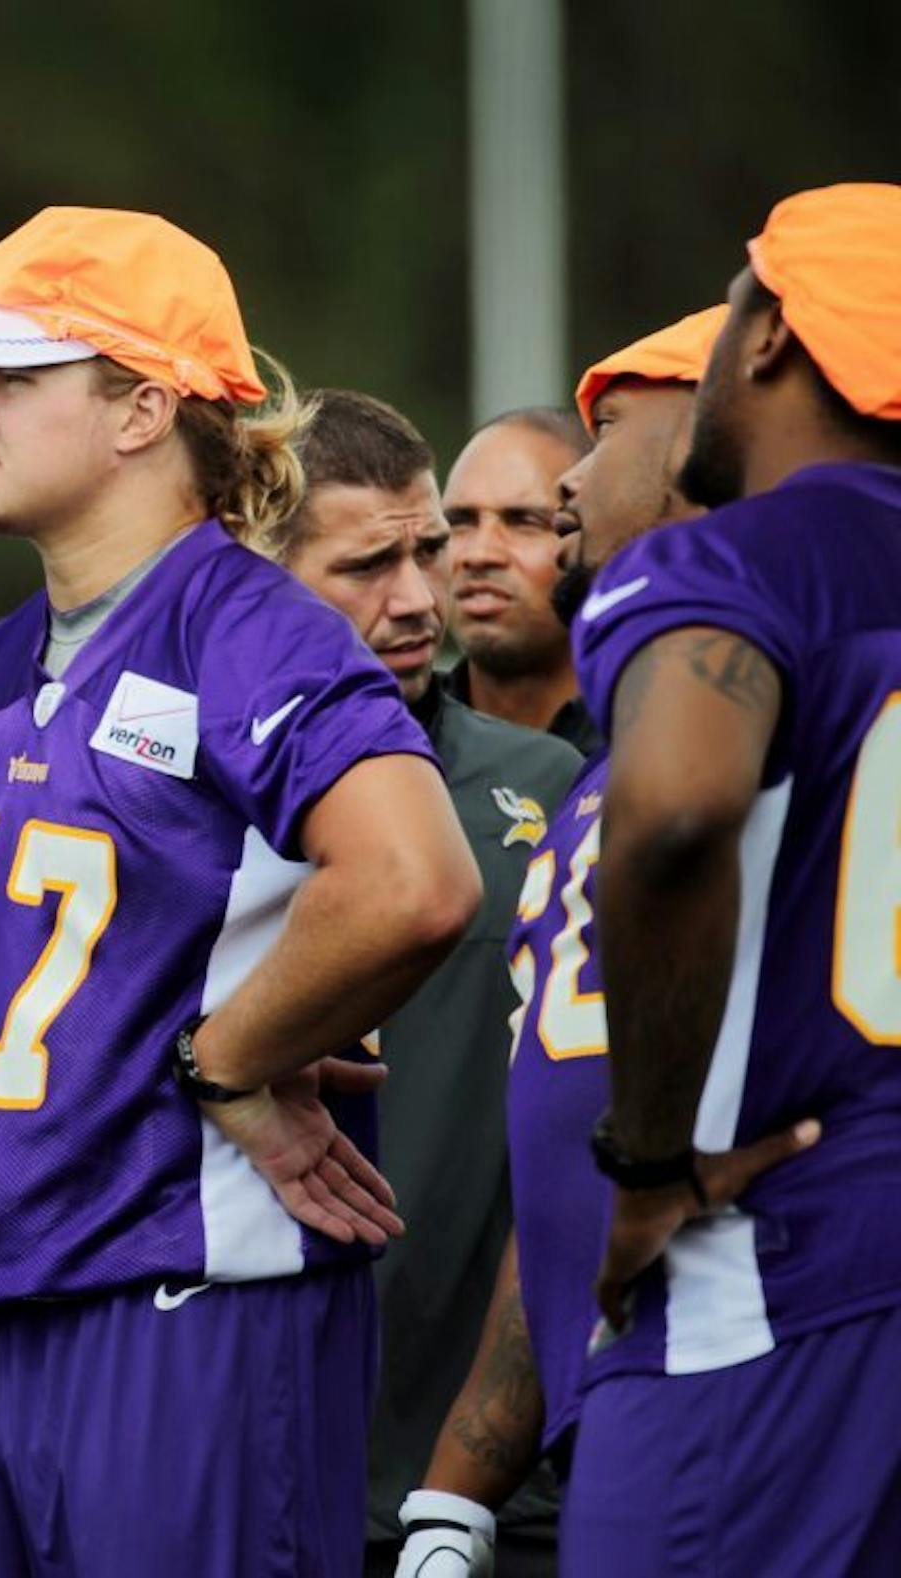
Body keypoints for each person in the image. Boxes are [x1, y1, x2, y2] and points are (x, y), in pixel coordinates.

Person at [0, 205, 481, 1575]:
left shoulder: (251, 626)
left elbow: (412, 878)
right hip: (6, 1304)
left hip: (190, 1302)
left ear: (143, 407)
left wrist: (226, 1064)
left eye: (10, 379)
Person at [383, 306, 799, 1577]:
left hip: (746, 1352)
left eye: (606, 430)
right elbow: (565, 1165)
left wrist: (651, 1152)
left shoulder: (757, 657)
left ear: (711, 438)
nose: (568, 480)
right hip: (601, 1396)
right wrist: (460, 1486)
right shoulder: (598, 770)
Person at [565, 182, 901, 1574]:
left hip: (783, 1276)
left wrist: (645, 1161)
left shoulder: (734, 558)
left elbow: (674, 811)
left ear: (768, 334)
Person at [248, 389, 582, 1576]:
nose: (417, 601)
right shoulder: (170, 790)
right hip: (244, 1460)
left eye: (426, 550)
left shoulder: (548, 786)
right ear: (260, 569)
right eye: (366, 564)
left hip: (498, 1492)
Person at [441, 410, 601, 754]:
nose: (480, 554)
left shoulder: (648, 742)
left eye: (523, 522)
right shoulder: (395, 746)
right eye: (460, 522)